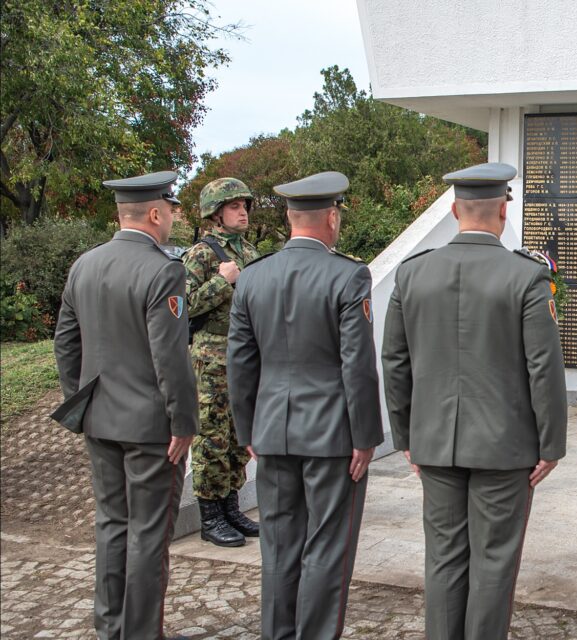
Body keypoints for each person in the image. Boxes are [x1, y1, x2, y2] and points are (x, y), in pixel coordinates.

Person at [381, 162, 567, 640]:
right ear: (504, 210)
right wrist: (551, 445)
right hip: (505, 448)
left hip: (434, 442)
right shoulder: (527, 277)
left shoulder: (413, 274)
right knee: (493, 562)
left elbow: (395, 362)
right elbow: (543, 367)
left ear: (452, 209)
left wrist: (406, 436)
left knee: (443, 558)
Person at [226, 171, 383, 639]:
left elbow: (240, 363)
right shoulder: (348, 274)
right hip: (333, 436)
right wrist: (365, 436)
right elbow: (357, 365)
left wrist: (247, 430)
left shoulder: (252, 278)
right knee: (328, 548)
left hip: (272, 431)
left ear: (292, 220)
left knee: (278, 547)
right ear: (331, 218)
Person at [52, 170, 197, 640]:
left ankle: (110, 627)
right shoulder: (163, 269)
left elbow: (66, 344)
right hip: (152, 427)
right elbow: (169, 356)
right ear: (155, 213)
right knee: (149, 535)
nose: (173, 218)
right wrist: (183, 421)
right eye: (171, 210)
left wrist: (81, 400)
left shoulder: (85, 265)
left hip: (100, 418)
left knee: (112, 525)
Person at [183, 177, 261, 547]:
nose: (242, 210)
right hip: (211, 360)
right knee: (211, 437)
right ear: (215, 214)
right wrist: (220, 281)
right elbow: (181, 307)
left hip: (243, 356)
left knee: (235, 438)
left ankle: (231, 507)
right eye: (234, 206)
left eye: (244, 205)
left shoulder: (250, 251)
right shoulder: (201, 253)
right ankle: (210, 517)